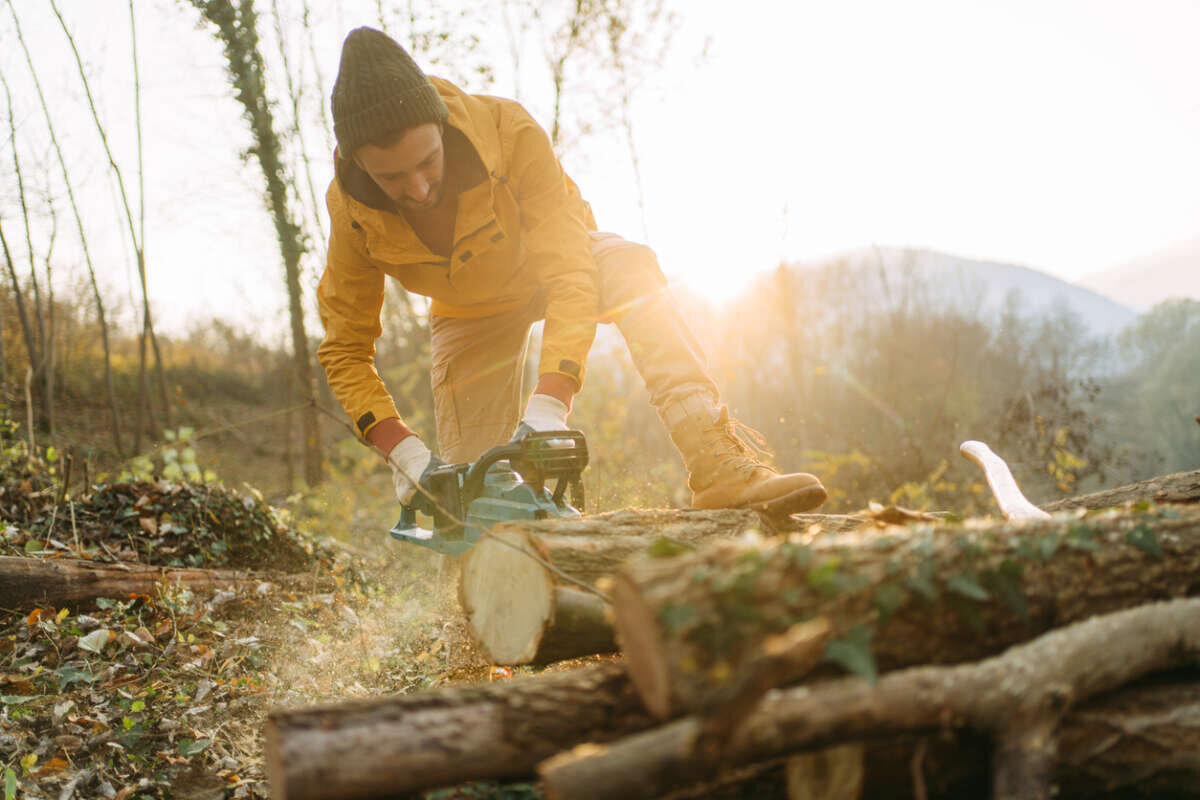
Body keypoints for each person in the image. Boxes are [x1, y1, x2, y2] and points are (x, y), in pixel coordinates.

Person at [317, 27, 827, 517]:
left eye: (428, 162)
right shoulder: (349, 210)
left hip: (555, 266)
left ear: (443, 127)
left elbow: (568, 270)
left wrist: (551, 400)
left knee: (630, 265)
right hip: (467, 313)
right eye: (393, 177)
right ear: (359, 163)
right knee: (473, 496)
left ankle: (714, 460)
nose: (420, 188)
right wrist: (397, 446)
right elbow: (345, 345)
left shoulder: (508, 131)